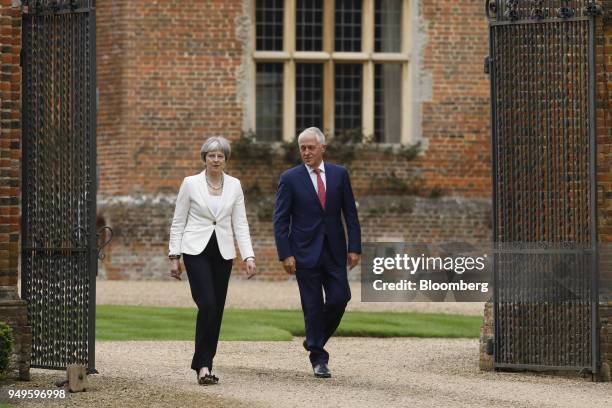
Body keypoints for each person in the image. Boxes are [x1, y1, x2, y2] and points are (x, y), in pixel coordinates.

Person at [273, 127, 361, 378]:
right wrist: (285, 253)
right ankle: (318, 358)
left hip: (334, 251)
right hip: (303, 252)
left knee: (340, 297)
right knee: (312, 306)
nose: (307, 152)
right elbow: (280, 220)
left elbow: (350, 214)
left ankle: (314, 338)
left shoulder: (339, 174)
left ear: (323, 148)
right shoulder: (289, 178)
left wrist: (354, 247)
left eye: (311, 147)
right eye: (302, 148)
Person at [168, 136, 256, 385]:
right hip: (195, 251)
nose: (216, 160)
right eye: (211, 155)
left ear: (225, 159)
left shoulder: (235, 185)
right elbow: (178, 220)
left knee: (216, 310)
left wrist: (248, 255)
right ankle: (202, 363)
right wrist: (174, 257)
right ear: (204, 158)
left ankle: (206, 365)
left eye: (220, 156)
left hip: (223, 253)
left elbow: (240, 222)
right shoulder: (190, 183)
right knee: (206, 304)